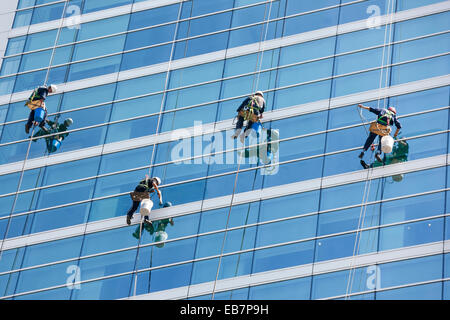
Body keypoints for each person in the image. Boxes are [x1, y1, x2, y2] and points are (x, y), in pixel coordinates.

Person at [357, 104, 401, 168]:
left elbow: (372, 109)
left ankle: (363, 150)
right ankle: (378, 153)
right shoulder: (393, 116)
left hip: (377, 126)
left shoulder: (383, 110)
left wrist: (363, 107)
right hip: (384, 129)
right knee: (382, 141)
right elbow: (399, 126)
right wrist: (395, 134)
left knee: (370, 139)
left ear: (389, 109)